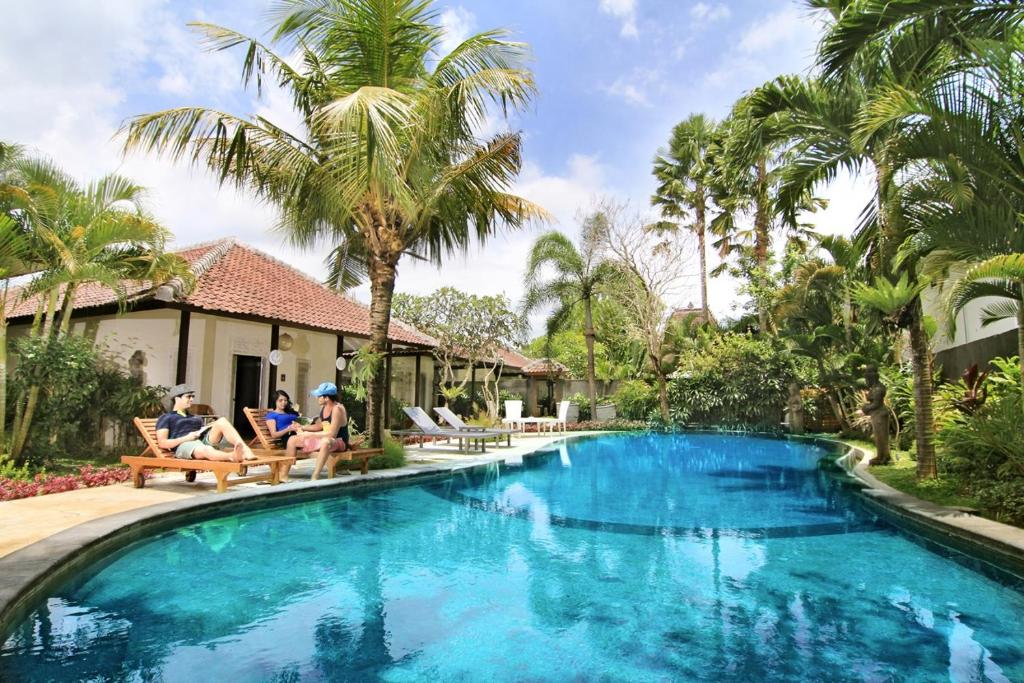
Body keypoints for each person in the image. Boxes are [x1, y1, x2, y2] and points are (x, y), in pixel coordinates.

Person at [156, 384, 256, 462]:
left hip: (200, 441)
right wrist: (187, 438)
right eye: (188, 396)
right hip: (184, 445)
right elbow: (162, 443)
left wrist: (208, 427)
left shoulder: (194, 417)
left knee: (222, 421)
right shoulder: (166, 418)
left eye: (192, 396)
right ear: (177, 399)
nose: (192, 399)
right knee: (206, 449)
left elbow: (202, 433)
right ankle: (231, 456)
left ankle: (245, 449)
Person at [286, 382, 351, 480]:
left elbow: (332, 434)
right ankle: (284, 473)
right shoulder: (324, 408)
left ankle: (315, 475)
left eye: (319, 396)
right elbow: (321, 425)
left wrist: (309, 435)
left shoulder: (337, 409)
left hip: (339, 441)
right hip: (325, 438)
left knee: (325, 442)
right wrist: (303, 427)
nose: (316, 398)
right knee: (292, 440)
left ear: (327, 398)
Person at [859, 365, 891, 466]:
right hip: (876, 414)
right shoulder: (874, 388)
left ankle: (884, 457)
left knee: (882, 436)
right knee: (878, 437)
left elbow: (876, 404)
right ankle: (880, 455)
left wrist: (865, 408)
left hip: (880, 414)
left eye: (867, 378)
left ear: (872, 378)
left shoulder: (878, 388)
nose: (866, 381)